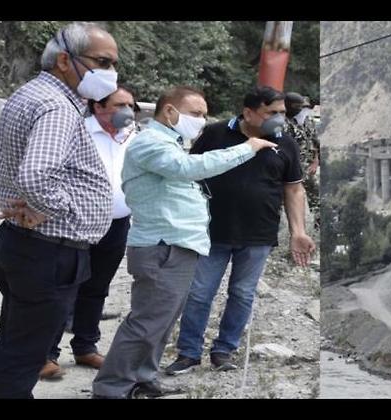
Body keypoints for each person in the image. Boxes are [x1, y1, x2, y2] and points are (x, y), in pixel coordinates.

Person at [91, 86, 277, 399]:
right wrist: (247, 147)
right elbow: (187, 169)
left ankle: (143, 377)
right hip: (162, 246)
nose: (201, 121)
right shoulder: (151, 143)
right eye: (195, 113)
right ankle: (112, 388)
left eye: (204, 114)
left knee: (161, 322)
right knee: (146, 322)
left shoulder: (172, 143)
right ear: (169, 112)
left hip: (178, 246)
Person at [0, 22, 116, 399]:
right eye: (103, 61)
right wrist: (53, 209)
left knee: (16, 342)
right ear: (65, 59)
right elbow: (36, 175)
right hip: (49, 249)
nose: (111, 73)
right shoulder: (56, 106)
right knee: (24, 354)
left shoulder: (29, 95)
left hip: (27, 245)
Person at [164, 86, 315, 375]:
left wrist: (298, 231)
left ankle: (224, 351)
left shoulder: (286, 144)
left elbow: (293, 190)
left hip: (258, 233)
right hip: (211, 230)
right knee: (199, 293)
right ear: (248, 112)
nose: (280, 119)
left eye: (283, 113)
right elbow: (190, 172)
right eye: (272, 113)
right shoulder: (215, 134)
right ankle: (188, 353)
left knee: (243, 294)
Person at [41, 86, 139, 380]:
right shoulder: (77, 132)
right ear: (98, 107)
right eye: (121, 105)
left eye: (131, 105)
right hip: (78, 224)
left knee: (97, 287)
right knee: (65, 288)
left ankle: (85, 345)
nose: (128, 111)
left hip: (117, 223)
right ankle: (46, 353)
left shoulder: (133, 136)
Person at [284, 92, 319, 218]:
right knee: (289, 201)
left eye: (306, 107)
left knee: (316, 197)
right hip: (289, 169)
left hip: (307, 168)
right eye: (301, 107)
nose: (305, 110)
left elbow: (316, 142)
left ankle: (318, 226)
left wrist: (315, 162)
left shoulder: (308, 121)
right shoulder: (283, 124)